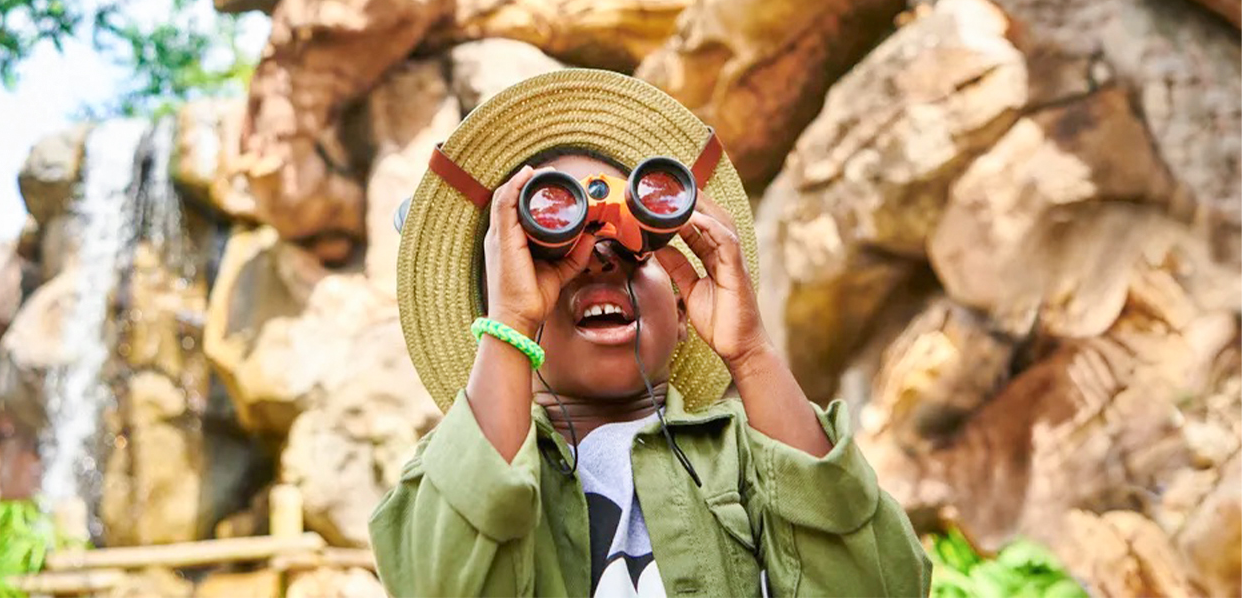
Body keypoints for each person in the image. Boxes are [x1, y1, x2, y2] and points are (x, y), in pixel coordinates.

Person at [368, 69, 931, 597]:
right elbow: (438, 581)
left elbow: (880, 583)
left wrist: (752, 353)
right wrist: (512, 320)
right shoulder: (452, 469)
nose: (599, 261)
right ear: (495, 311)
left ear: (684, 310)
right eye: (552, 253)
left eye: (635, 249)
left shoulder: (753, 454)